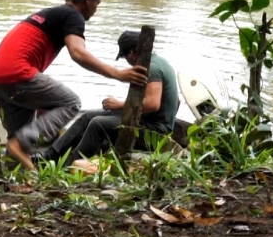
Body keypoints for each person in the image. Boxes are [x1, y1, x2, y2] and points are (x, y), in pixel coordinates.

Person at [0, 0, 148, 170]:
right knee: (71, 103)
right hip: (17, 72)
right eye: (97, 4)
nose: (96, 10)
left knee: (21, 141)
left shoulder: (53, 13)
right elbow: (78, 53)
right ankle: (17, 147)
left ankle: (19, 180)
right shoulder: (73, 16)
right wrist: (118, 73)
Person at [35, 29, 180, 165]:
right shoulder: (159, 61)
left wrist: (119, 105)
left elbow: (153, 104)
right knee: (88, 116)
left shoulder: (153, 68)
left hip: (154, 133)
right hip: (143, 120)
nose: (127, 62)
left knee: (98, 124)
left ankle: (69, 165)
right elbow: (177, 102)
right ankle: (49, 155)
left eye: (124, 57)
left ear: (130, 53)